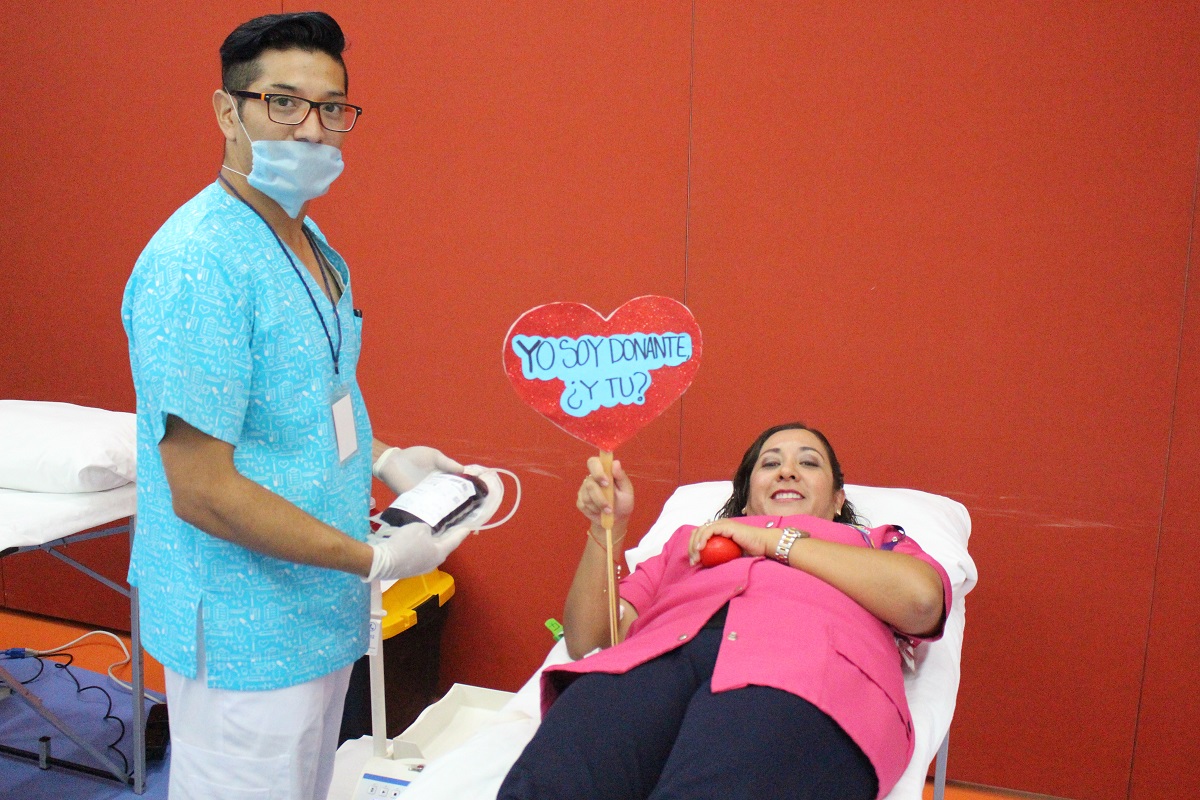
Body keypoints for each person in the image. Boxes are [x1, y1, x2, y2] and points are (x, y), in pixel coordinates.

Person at [121, 12, 469, 800]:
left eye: (331, 108)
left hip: (316, 601)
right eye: (283, 102)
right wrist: (377, 560)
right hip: (243, 625)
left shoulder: (309, 246)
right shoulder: (198, 265)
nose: (311, 129)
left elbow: (310, 391)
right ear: (227, 111)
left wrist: (387, 459)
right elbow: (202, 491)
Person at [498, 422, 951, 800]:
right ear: (747, 499)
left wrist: (772, 541)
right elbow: (587, 638)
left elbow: (922, 602)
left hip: (802, 674)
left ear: (838, 500)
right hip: (655, 662)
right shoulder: (686, 543)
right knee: (552, 782)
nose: (787, 471)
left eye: (809, 463)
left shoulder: (874, 543)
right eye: (769, 464)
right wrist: (605, 531)